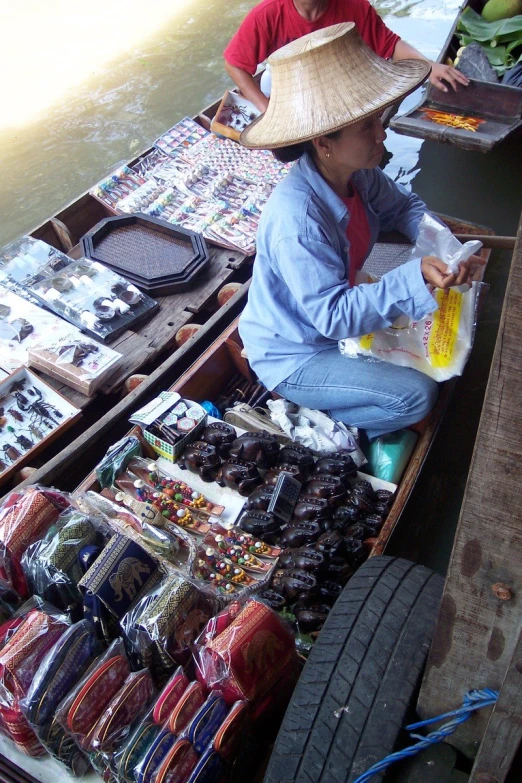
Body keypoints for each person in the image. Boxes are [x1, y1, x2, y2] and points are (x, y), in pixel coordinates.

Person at [238, 23, 482, 439]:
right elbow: (333, 316)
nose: (381, 134)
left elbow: (406, 207)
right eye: (366, 127)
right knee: (416, 396)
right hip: (297, 352)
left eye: (377, 121)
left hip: (333, 321)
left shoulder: (356, 174)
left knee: (446, 336)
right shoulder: (298, 221)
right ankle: (313, 428)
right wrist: (414, 274)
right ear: (323, 142)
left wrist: (444, 249)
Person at [224, 0, 469, 112]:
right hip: (287, 88)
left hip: (337, 82)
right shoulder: (267, 14)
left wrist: (429, 66)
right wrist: (265, 108)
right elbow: (235, 64)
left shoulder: (353, 7)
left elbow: (390, 45)